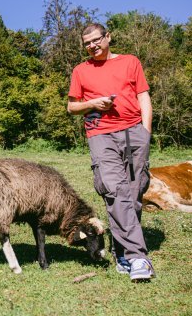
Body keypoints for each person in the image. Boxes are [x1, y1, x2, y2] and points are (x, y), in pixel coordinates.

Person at [68, 23, 154, 282]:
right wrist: (93, 103)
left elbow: (144, 97)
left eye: (96, 40)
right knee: (115, 190)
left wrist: (146, 133)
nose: (92, 46)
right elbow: (72, 107)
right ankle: (138, 256)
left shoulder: (130, 62)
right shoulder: (81, 71)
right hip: (100, 134)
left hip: (134, 132)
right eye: (87, 43)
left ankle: (122, 252)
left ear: (108, 37)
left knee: (134, 191)